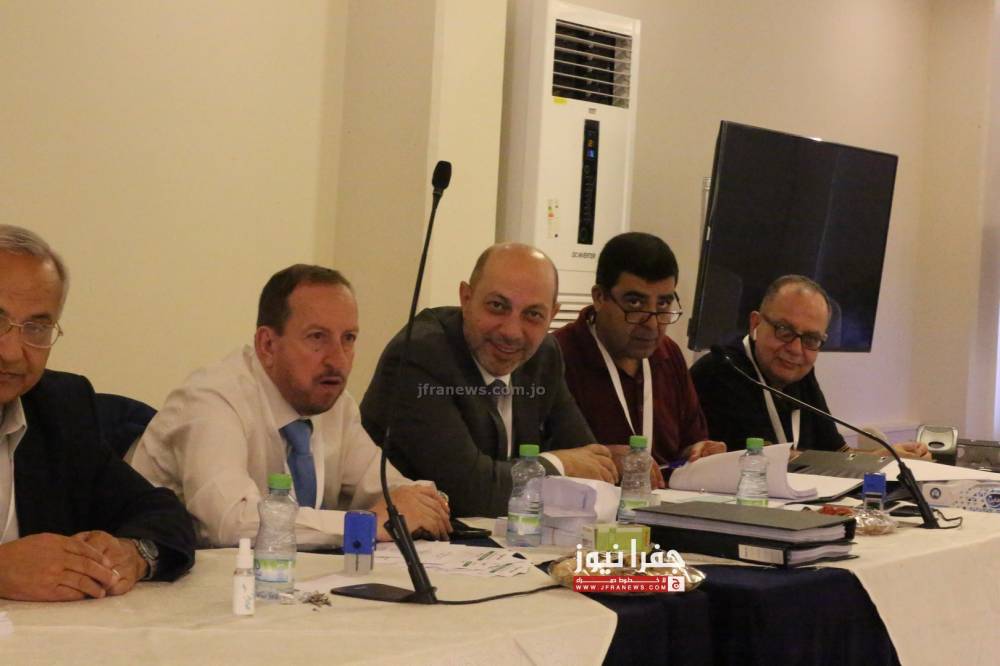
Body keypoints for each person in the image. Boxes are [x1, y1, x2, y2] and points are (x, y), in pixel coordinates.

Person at [131, 265, 451, 548]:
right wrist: (366, 525)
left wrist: (422, 503)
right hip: (168, 584)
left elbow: (383, 486)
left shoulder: (334, 405)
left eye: (349, 338)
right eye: (317, 337)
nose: (338, 359)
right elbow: (229, 523)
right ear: (267, 344)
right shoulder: (212, 399)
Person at [0, 225, 195, 602]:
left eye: (37, 328)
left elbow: (161, 511)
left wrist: (133, 553)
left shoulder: (61, 406)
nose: (11, 351)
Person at [361, 243, 619, 517]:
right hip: (401, 539)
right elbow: (471, 493)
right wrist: (560, 465)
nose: (511, 332)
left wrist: (570, 466)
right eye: (497, 306)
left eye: (533, 314)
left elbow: (591, 465)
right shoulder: (420, 355)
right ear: (466, 298)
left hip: (510, 538)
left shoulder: (544, 355)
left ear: (552, 316)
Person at [690, 275, 929, 458]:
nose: (796, 349)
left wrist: (887, 457)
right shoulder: (722, 369)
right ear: (755, 324)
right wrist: (876, 462)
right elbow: (765, 459)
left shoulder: (799, 372)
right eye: (784, 330)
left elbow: (837, 454)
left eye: (811, 339)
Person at [554, 232, 726, 487]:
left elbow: (688, 443)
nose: (652, 324)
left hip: (665, 504)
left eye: (663, 304)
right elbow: (536, 460)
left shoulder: (668, 354)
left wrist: (700, 452)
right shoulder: (557, 356)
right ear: (599, 297)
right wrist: (605, 459)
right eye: (635, 303)